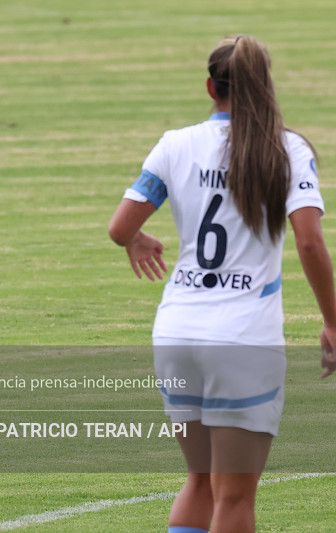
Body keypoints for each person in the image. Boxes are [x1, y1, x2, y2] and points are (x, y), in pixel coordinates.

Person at [108, 35, 336, 533]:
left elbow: (120, 227)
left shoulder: (176, 143)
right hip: (242, 339)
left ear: (211, 87)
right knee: (234, 498)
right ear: (266, 87)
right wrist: (333, 322)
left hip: (177, 333)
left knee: (199, 480)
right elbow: (311, 243)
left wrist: (138, 240)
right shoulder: (288, 149)